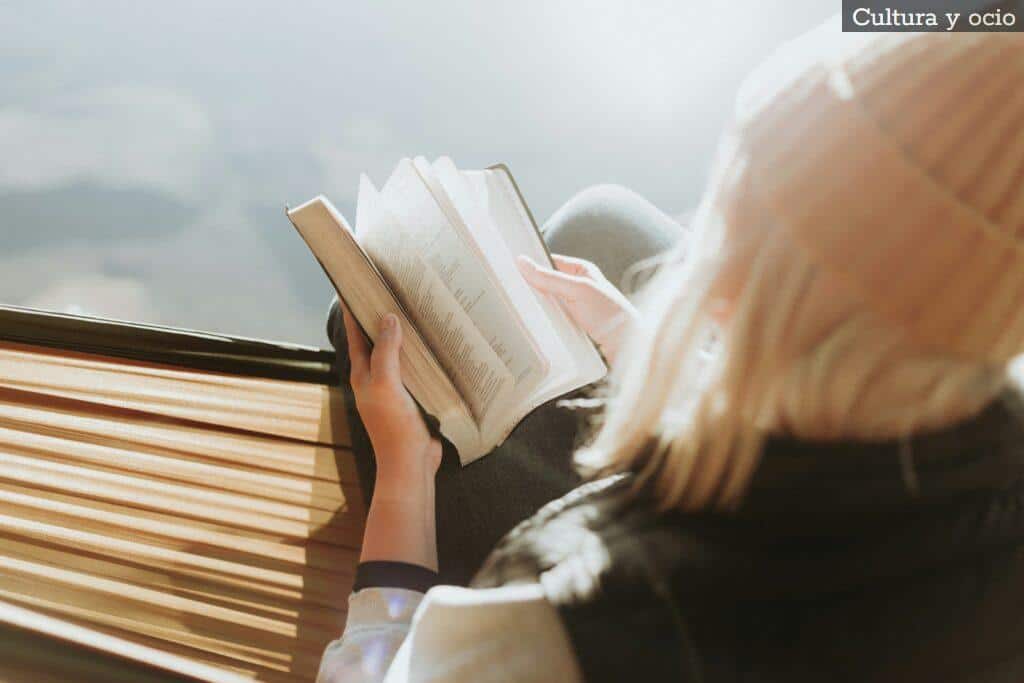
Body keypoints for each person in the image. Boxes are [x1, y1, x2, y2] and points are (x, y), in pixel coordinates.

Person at [319, 25, 1024, 683]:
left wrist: (405, 474)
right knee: (603, 223)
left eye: (724, 208)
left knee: (360, 320)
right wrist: (638, 343)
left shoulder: (551, 618)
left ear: (735, 279)